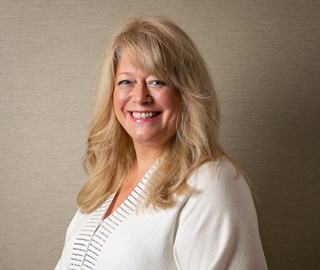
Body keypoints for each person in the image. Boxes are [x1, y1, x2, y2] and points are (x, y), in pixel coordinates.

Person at [55, 17, 268, 270]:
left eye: (157, 81)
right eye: (126, 81)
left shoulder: (213, 183)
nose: (140, 96)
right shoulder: (106, 183)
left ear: (186, 92)